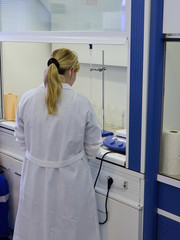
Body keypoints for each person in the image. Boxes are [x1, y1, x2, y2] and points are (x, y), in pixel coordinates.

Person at [13, 48, 102, 240]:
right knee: (71, 228)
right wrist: (69, 160)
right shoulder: (81, 103)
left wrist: (41, 156)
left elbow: (21, 139)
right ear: (71, 72)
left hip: (35, 178)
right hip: (71, 180)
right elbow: (93, 147)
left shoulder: (27, 99)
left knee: (34, 226)